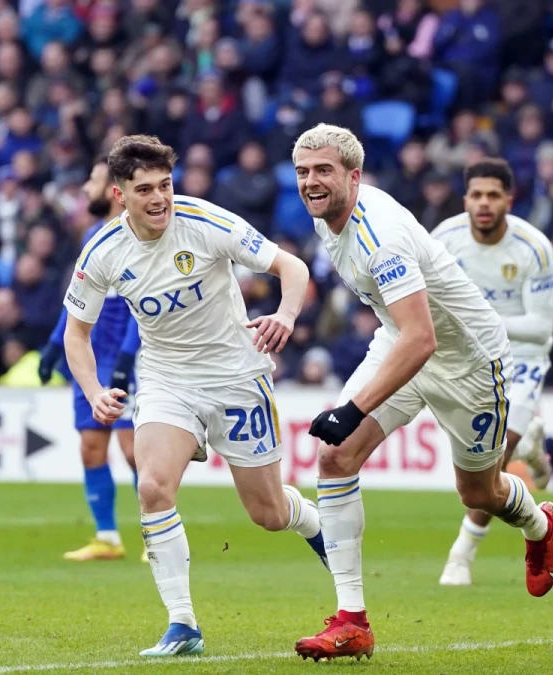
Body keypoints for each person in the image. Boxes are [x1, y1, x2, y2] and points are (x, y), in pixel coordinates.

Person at [290, 124, 553, 662]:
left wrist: (354, 407)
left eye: (323, 171)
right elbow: (407, 334)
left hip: (469, 362)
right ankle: (352, 621)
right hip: (401, 343)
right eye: (303, 172)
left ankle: (539, 522)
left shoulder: (378, 234)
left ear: (354, 175)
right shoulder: (327, 220)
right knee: (335, 456)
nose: (311, 183)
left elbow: (424, 337)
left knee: (478, 494)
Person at [61, 135, 327, 658]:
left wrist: (286, 315)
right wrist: (93, 391)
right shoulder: (102, 252)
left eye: (165, 184)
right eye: (145, 189)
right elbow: (77, 332)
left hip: (236, 376)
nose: (160, 198)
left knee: (269, 513)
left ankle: (317, 524)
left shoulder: (206, 221)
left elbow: (291, 267)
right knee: (154, 486)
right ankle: (183, 626)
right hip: (166, 381)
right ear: (119, 194)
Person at [431, 158, 553, 587]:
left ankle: (460, 556)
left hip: (521, 358)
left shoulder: (533, 247)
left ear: (509, 199)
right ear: (465, 199)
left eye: (493, 195)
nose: (484, 204)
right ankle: (529, 445)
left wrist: (479, 319)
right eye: (476, 195)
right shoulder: (441, 240)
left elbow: (541, 328)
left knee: (492, 461)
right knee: (485, 459)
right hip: (464, 358)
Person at [39, 157, 145, 563]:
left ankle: (156, 536)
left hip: (125, 358)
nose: (85, 188)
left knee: (135, 449)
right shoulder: (92, 236)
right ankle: (107, 537)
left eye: (94, 180)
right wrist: (53, 345)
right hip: (88, 359)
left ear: (114, 190)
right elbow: (77, 304)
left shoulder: (139, 240)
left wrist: (126, 357)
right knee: (90, 448)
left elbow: (140, 307)